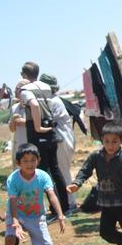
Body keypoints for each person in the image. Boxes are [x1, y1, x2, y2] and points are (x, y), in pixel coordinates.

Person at [0, 143, 69, 245]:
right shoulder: (13, 179)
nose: (29, 164)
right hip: (16, 214)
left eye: (33, 160)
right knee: (9, 239)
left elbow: (52, 195)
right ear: (18, 163)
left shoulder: (43, 176)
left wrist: (60, 215)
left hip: (36, 216)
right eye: (25, 161)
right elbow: (12, 202)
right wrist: (16, 223)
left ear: (38, 160)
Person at [18, 62, 69, 218]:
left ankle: (55, 209)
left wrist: (37, 127)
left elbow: (32, 104)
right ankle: (65, 206)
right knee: (55, 169)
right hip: (50, 132)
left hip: (38, 132)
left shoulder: (26, 90)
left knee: (43, 171)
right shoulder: (45, 87)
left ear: (24, 75)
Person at [39, 73, 77, 215]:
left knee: (62, 173)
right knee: (61, 172)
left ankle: (69, 203)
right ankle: (67, 202)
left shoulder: (53, 101)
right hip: (62, 140)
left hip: (61, 141)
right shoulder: (52, 100)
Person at [9, 80, 30, 163]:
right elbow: (12, 129)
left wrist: (25, 122)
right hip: (19, 145)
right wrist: (13, 121)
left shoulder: (33, 106)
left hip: (31, 145)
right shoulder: (14, 108)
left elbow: (40, 124)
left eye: (18, 88)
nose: (15, 91)